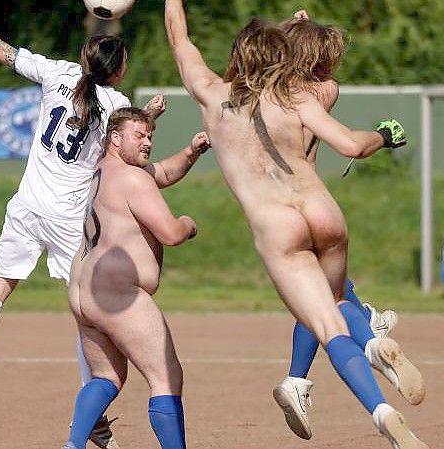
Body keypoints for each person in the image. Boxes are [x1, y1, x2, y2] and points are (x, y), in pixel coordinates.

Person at [0, 3, 207, 446]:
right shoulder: (118, 104)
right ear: (120, 69)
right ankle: (95, 419)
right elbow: (123, 140)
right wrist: (150, 115)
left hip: (29, 204)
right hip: (71, 217)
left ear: (85, 57)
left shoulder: (57, 74)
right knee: (86, 310)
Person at [164, 2, 429, 448]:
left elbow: (179, 37)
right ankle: (370, 342)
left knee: (327, 324)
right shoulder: (302, 96)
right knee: (338, 299)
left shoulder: (212, 93)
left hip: (277, 224)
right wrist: (385, 135)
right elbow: (350, 145)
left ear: (237, 57)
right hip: (321, 209)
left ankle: (382, 410)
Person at [272, 12, 419, 441]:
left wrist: (286, 28)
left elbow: (255, 59)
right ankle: (367, 333)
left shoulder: (266, 94)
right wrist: (386, 134)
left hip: (277, 213)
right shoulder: (324, 91)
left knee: (318, 301)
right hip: (316, 201)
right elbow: (353, 141)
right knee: (329, 296)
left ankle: (361, 346)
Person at [64, 107, 206, 449]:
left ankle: (73, 445)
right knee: (166, 377)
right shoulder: (133, 178)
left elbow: (164, 173)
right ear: (115, 138)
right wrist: (188, 223)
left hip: (83, 290)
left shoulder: (102, 170)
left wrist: (191, 152)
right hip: (116, 293)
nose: (147, 143)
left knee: (108, 376)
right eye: (139, 136)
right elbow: (170, 233)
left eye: (150, 136)